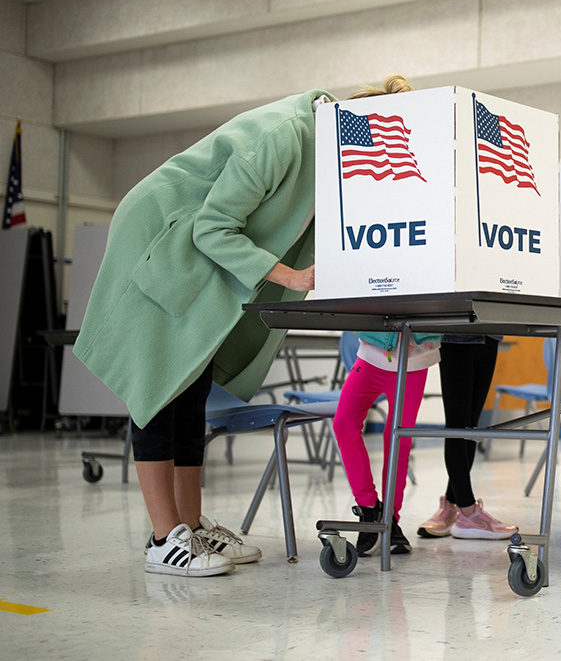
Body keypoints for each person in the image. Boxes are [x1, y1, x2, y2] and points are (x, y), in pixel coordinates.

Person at [74, 76, 413, 577]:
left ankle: (191, 525)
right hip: (162, 238)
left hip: (205, 253)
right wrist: (292, 277)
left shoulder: (331, 152)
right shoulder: (285, 136)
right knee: (158, 381)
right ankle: (163, 537)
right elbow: (211, 226)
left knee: (193, 385)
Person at [333, 330, 441, 556]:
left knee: (397, 437)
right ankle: (368, 508)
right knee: (344, 424)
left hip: (415, 361)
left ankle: (390, 517)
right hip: (370, 355)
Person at [417, 335, 518, 540]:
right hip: (457, 335)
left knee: (471, 427)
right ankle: (468, 511)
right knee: (458, 425)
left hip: (489, 334)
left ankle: (453, 505)